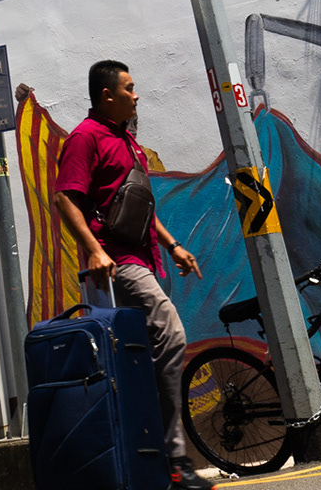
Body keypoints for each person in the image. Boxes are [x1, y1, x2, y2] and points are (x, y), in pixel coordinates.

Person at [53, 61, 211, 489]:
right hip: (115, 262)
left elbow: (139, 205)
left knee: (138, 357)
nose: (136, 95)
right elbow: (65, 199)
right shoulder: (85, 138)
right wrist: (93, 250)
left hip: (141, 258)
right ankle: (172, 458)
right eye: (129, 88)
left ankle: (146, 457)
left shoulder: (126, 140)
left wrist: (173, 245)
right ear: (108, 95)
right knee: (170, 333)